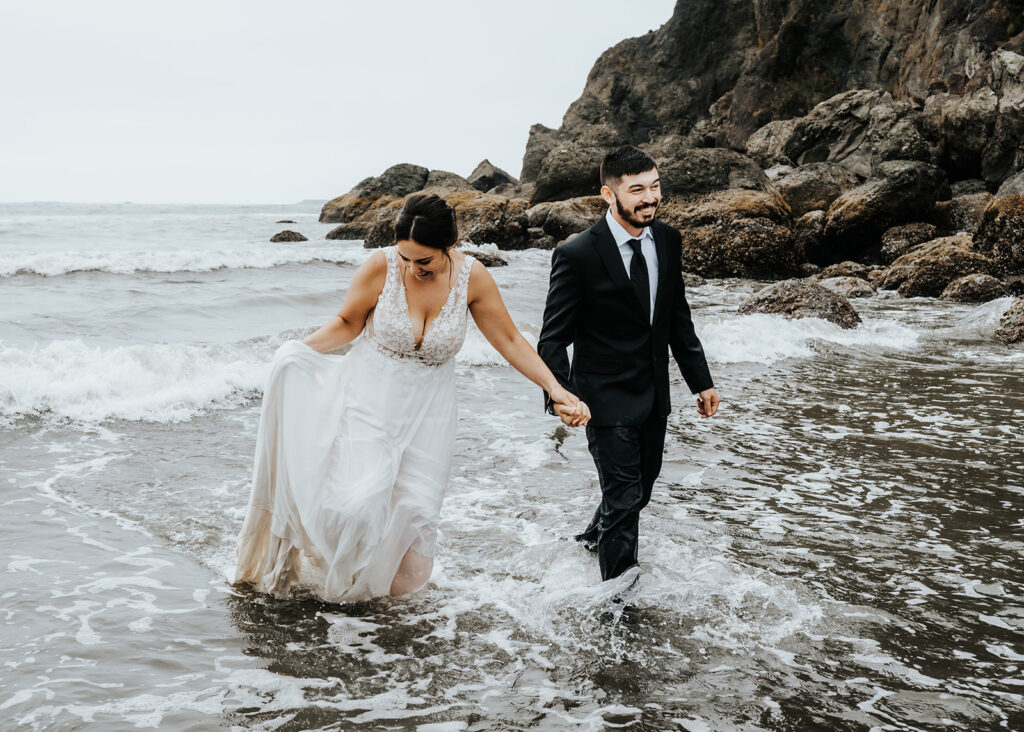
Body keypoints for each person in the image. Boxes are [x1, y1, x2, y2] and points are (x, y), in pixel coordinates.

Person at [233, 193, 590, 602]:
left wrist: (555, 387)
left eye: (425, 262)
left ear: (449, 248)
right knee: (359, 504)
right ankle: (342, 592)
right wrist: (297, 351)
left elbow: (509, 339)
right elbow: (348, 322)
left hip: (430, 415)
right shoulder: (381, 267)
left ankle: (394, 623)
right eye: (405, 258)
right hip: (370, 400)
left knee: (416, 517)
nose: (412, 268)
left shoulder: (472, 278)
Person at [538, 145, 720, 589]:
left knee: (639, 491)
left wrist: (701, 381)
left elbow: (677, 316)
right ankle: (617, 606)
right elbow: (552, 338)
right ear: (608, 193)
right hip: (602, 400)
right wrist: (561, 396)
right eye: (637, 189)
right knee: (623, 500)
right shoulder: (577, 253)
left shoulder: (669, 240)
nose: (650, 198)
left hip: (655, 396)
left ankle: (590, 539)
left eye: (655, 187)